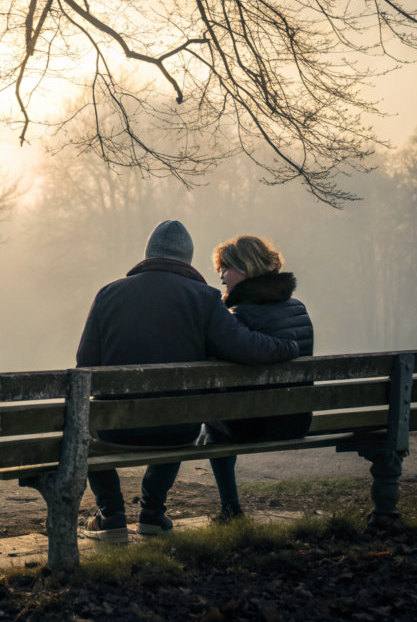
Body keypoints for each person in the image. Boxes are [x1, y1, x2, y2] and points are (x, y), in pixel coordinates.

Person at [76, 221, 301, 542]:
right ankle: (152, 513)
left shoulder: (108, 294)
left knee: (82, 429)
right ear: (187, 260)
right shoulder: (205, 299)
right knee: (179, 414)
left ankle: (111, 514)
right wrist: (287, 347)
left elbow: (85, 365)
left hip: (115, 427)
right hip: (178, 429)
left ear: (148, 254)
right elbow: (247, 347)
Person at [207, 235, 315, 521]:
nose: (221, 277)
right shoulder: (298, 309)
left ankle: (230, 509)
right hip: (297, 420)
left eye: (225, 268)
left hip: (254, 425)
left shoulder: (237, 314)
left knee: (212, 426)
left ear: (245, 268)